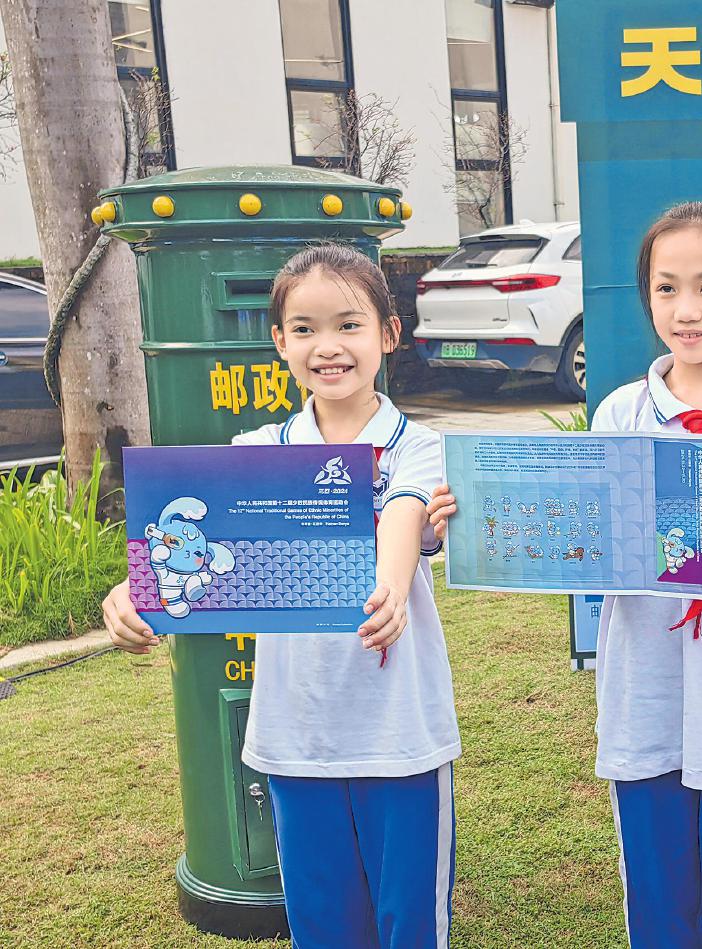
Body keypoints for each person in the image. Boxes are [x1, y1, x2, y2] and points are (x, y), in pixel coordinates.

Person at [429, 202, 702, 947]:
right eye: (666, 289)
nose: (687, 310)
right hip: (645, 692)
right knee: (657, 900)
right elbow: (581, 540)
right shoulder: (618, 413)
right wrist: (484, 522)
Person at [103, 244, 458, 949]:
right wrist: (133, 593)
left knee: (410, 923)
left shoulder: (418, 446)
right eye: (304, 328)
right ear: (279, 342)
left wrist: (389, 590)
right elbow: (190, 545)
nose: (328, 346)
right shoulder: (258, 450)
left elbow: (404, 511)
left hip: (401, 735)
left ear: (389, 333)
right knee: (322, 925)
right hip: (295, 738)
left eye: (349, 325)